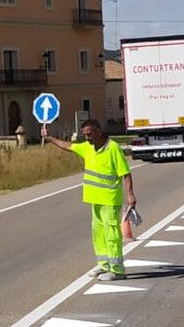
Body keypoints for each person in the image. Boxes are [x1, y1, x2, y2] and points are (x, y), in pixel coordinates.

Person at [42, 118, 137, 280]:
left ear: (98, 131)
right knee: (98, 233)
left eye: (89, 134)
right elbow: (67, 146)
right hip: (95, 200)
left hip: (109, 200)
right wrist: (49, 138)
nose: (87, 138)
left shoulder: (112, 148)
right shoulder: (88, 148)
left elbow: (125, 173)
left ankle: (117, 270)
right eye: (85, 135)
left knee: (111, 234)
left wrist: (130, 194)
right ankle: (104, 265)